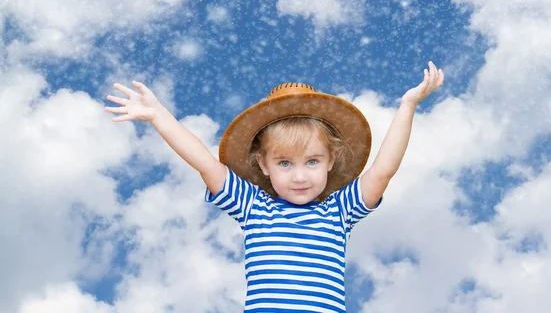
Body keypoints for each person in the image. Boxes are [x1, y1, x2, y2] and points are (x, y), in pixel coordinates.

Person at [105, 61, 444, 312]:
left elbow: (383, 171)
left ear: (331, 159)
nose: (299, 176)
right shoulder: (253, 206)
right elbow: (204, 163)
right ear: (264, 165)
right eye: (285, 163)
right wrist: (158, 115)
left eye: (312, 161)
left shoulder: (339, 210)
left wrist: (407, 107)